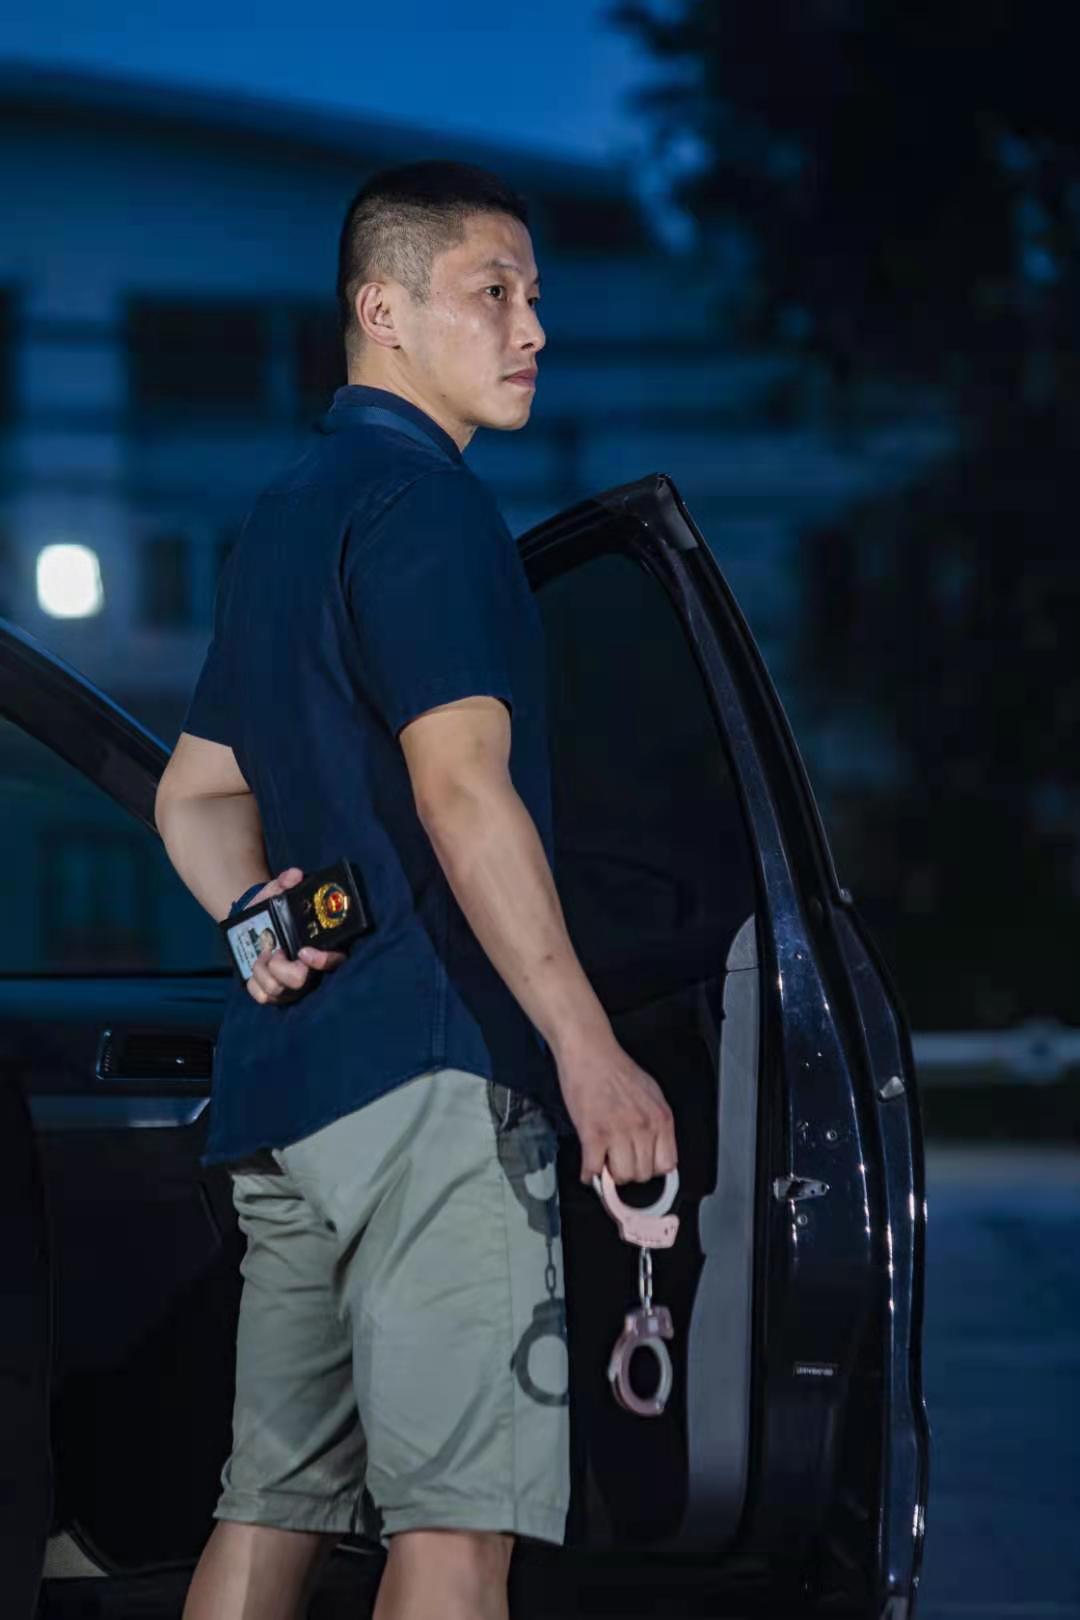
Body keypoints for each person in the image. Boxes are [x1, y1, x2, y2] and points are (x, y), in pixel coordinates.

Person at [155, 160, 677, 1620]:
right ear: (383, 310)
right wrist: (586, 1047)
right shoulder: (431, 507)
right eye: (491, 292)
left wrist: (257, 925)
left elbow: (193, 792)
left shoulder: (285, 516)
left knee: (267, 1512)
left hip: (289, 1092)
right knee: (456, 1531)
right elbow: (462, 789)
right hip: (434, 1078)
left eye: (535, 297)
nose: (533, 328)